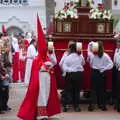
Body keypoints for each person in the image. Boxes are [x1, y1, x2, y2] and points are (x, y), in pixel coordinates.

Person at [17, 15, 61, 120]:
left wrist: (48, 67)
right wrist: (44, 67)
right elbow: (36, 71)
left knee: (46, 96)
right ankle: (41, 114)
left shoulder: (48, 58)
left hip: (47, 81)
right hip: (39, 82)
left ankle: (46, 113)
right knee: (39, 97)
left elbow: (53, 66)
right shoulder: (36, 59)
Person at [87, 41, 113, 111]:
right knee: (102, 90)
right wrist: (104, 68)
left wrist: (91, 43)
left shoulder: (92, 55)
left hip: (94, 73)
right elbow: (111, 64)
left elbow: (88, 50)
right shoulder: (105, 55)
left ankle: (92, 106)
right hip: (102, 73)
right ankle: (103, 105)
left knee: (94, 90)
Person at [62, 42, 85, 112]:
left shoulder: (68, 57)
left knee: (69, 90)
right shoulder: (80, 56)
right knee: (77, 91)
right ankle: (76, 106)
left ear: (70, 49)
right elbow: (83, 63)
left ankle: (67, 105)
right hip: (78, 75)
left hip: (70, 74)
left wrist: (70, 70)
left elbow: (64, 66)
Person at [113, 39, 120, 112]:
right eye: (117, 43)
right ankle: (117, 104)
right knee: (117, 88)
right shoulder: (116, 50)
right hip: (117, 70)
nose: (117, 44)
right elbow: (115, 60)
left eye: (118, 43)